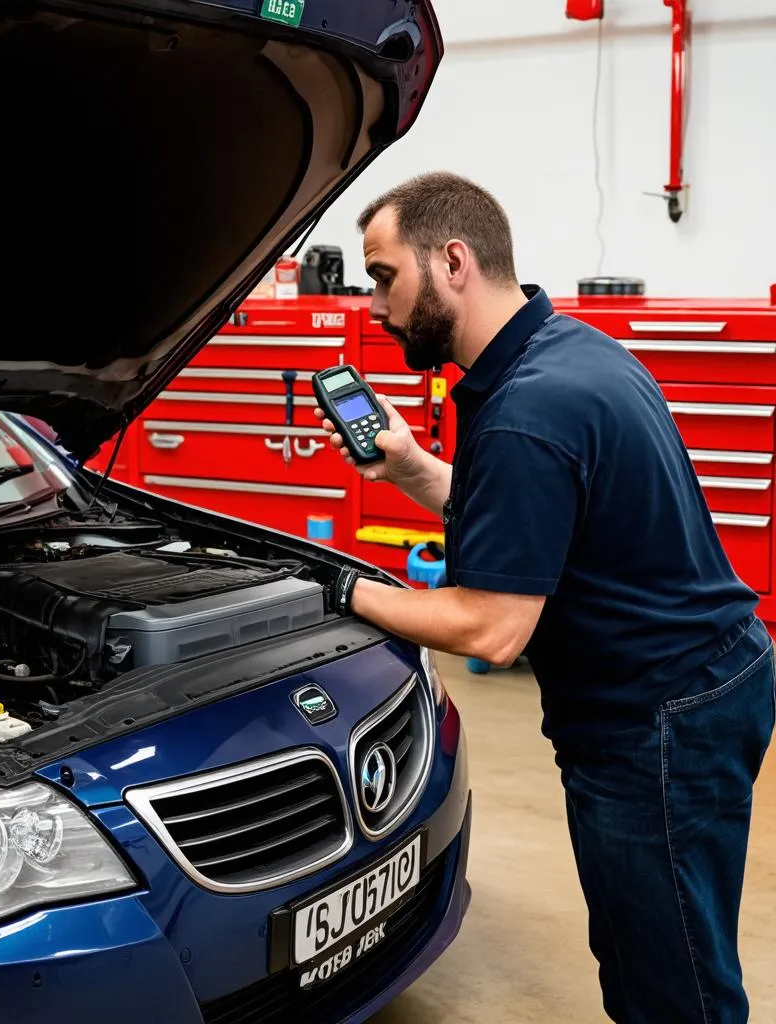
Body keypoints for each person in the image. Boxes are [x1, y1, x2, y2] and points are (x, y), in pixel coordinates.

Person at [318, 171, 775, 1024]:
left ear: (451, 260)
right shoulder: (566, 352)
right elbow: (536, 526)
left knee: (671, 978)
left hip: (658, 717)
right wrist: (414, 469)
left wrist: (345, 588)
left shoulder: (529, 409)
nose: (374, 306)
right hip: (712, 678)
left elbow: (491, 626)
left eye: (384, 276)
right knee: (660, 944)